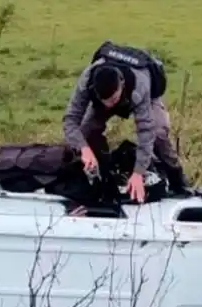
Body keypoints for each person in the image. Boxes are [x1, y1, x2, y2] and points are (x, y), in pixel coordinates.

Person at [62, 41, 190, 203]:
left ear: (121, 85)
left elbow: (146, 132)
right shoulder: (87, 80)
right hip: (108, 96)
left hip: (146, 97)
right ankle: (102, 172)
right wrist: (84, 149)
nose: (110, 105)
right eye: (105, 100)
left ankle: (177, 178)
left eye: (113, 99)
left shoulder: (140, 85)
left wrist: (138, 173)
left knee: (158, 133)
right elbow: (70, 120)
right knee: (85, 131)